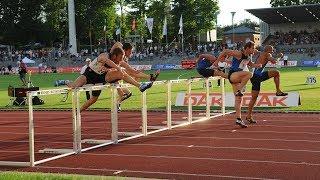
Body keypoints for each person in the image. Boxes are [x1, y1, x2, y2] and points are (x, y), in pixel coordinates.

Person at [66, 47, 153, 112]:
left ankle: (140, 86)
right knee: (74, 86)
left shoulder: (118, 61)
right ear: (114, 55)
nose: (121, 60)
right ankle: (65, 82)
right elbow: (107, 61)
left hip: (102, 77)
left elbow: (129, 69)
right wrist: (118, 67)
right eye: (120, 58)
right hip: (89, 75)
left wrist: (134, 71)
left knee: (93, 99)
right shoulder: (104, 55)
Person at [214, 41, 262, 128]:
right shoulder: (239, 53)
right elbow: (225, 51)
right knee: (250, 74)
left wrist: (257, 65)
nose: (254, 49)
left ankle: (238, 119)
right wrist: (217, 61)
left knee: (238, 99)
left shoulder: (248, 56)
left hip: (238, 78)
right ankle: (239, 89)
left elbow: (250, 64)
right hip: (233, 75)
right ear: (247, 48)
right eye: (252, 48)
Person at [245, 45, 288, 124]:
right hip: (257, 76)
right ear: (268, 50)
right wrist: (279, 56)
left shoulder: (260, 53)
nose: (272, 52)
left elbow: (255, 52)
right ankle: (278, 91)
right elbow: (274, 61)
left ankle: (249, 116)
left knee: (254, 98)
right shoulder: (267, 54)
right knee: (276, 73)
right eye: (271, 50)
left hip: (254, 76)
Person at [115, 42, 160, 112]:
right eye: (130, 51)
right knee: (131, 73)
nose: (131, 53)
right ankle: (150, 77)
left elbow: (132, 72)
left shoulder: (124, 59)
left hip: (119, 78)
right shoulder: (120, 55)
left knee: (128, 94)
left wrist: (137, 76)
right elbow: (117, 43)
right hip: (111, 75)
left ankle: (118, 103)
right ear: (125, 50)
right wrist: (122, 46)